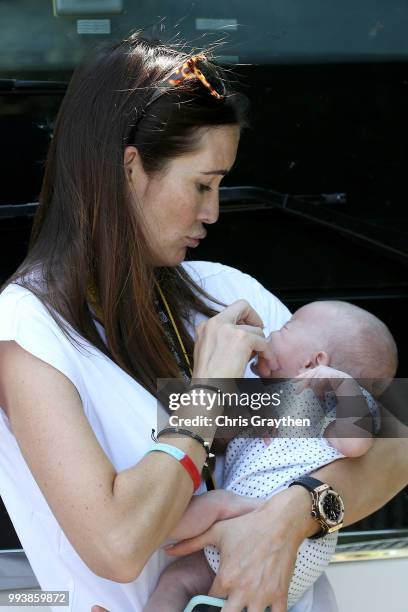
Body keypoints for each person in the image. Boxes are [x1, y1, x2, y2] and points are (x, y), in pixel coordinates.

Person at [0, 32, 407, 612]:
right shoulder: (30, 330)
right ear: (130, 168)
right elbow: (118, 543)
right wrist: (206, 396)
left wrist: (293, 515)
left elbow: (392, 442)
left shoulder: (225, 292)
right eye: (202, 185)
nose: (213, 212)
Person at [141, 300, 398, 611]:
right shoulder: (269, 401)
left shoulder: (336, 406)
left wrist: (340, 382)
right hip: (244, 526)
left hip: (290, 536)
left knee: (215, 505)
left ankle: (144, 529)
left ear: (314, 361)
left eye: (285, 330)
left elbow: (356, 445)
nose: (271, 334)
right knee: (176, 582)